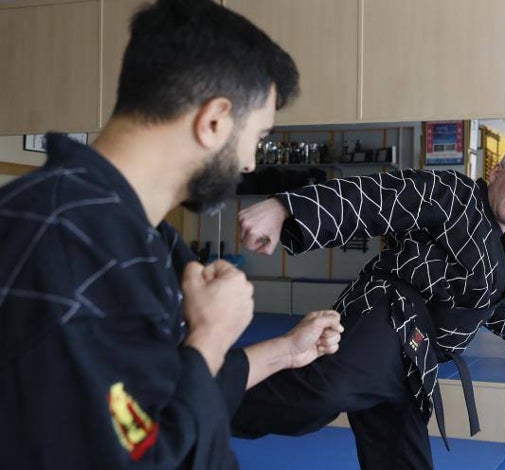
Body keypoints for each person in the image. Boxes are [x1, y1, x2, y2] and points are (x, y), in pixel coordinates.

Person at [0, 1, 344, 468]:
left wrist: (285, 351)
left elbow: (171, 390)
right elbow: (144, 454)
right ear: (215, 121)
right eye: (257, 138)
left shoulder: (138, 235)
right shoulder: (69, 246)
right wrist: (210, 336)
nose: (249, 164)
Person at [233, 143, 505, 469]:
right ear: (497, 172)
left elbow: (496, 310)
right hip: (389, 318)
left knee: (403, 459)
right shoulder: (453, 193)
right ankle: (198, 397)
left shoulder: (495, 248)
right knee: (322, 394)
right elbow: (379, 196)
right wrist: (287, 208)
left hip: (416, 359)